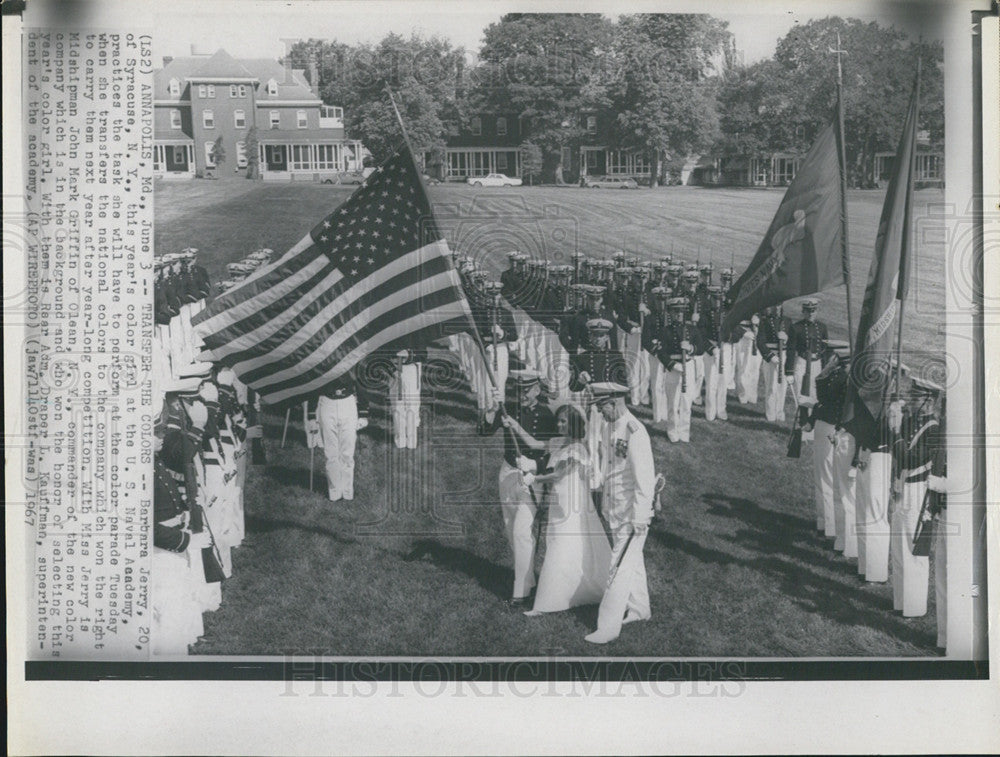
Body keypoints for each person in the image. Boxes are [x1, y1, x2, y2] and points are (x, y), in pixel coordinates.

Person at [516, 404, 612, 615]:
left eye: (564, 421)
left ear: (573, 424)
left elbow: (559, 474)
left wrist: (534, 478)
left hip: (572, 502)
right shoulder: (557, 442)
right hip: (559, 501)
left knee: (561, 543)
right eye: (558, 420)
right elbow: (533, 443)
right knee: (558, 541)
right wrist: (514, 426)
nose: (559, 424)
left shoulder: (578, 448)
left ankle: (546, 603)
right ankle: (567, 591)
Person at [584, 382, 656, 644]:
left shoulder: (635, 432)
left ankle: (607, 627)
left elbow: (645, 480)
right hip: (614, 507)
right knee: (631, 563)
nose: (600, 413)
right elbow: (609, 465)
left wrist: (639, 518)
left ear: (615, 402)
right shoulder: (609, 425)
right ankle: (640, 609)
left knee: (617, 568)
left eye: (602, 407)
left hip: (631, 514)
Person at [482, 370, 557, 606]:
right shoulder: (508, 409)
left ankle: (521, 592)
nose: (522, 394)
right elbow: (483, 431)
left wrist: (533, 467)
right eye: (519, 390)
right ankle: (528, 578)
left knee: (521, 531)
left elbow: (550, 451)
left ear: (537, 389)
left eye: (526, 390)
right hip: (507, 471)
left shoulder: (547, 415)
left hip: (530, 477)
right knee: (509, 527)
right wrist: (493, 409)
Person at [889, 377, 941, 617]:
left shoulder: (933, 430)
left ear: (928, 403)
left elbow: (910, 458)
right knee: (898, 550)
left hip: (918, 492)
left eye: (915, 398)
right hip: (902, 488)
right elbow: (898, 457)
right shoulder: (911, 421)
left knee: (913, 551)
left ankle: (914, 608)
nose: (910, 401)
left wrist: (895, 433)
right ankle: (900, 603)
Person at [310, 370, 368, 502]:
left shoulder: (350, 354)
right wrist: (311, 415)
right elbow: (313, 382)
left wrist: (363, 412)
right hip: (326, 401)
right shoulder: (322, 356)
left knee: (347, 452)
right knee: (331, 452)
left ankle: (347, 491)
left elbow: (361, 381)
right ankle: (334, 491)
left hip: (347, 402)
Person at [785, 298, 828, 419]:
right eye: (808, 311)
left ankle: (812, 421)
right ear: (803, 311)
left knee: (815, 393)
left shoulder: (822, 327)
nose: (811, 314)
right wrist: (789, 371)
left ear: (817, 311)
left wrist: (826, 369)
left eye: (813, 311)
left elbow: (825, 349)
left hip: (817, 363)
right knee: (801, 392)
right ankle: (801, 421)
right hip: (802, 362)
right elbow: (791, 350)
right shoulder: (796, 327)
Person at [388, 346, 426, 449]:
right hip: (394, 366)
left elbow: (423, 353)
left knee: (411, 405)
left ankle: (411, 441)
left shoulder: (415, 332)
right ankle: (400, 440)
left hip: (411, 367)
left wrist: (409, 354)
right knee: (397, 404)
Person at [757, 305, 791, 421]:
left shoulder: (787, 321)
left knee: (782, 386)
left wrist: (786, 338)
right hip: (772, 356)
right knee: (771, 386)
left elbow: (793, 340)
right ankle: (770, 412)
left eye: (779, 306)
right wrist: (770, 356)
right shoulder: (765, 321)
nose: (776, 309)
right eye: (774, 306)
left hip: (784, 355)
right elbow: (760, 342)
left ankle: (780, 411)